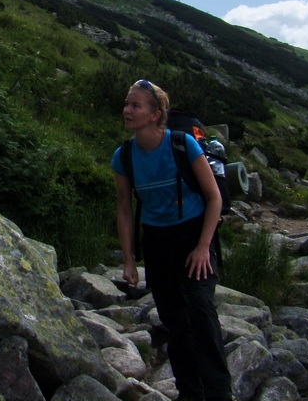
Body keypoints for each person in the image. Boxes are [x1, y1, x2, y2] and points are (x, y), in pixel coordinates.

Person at [111, 79, 232, 401]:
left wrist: (204, 247)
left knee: (201, 312)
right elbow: (124, 209)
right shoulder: (123, 157)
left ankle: (219, 393)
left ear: (155, 114)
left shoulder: (181, 144)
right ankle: (190, 393)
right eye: (126, 103)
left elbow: (214, 197)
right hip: (157, 242)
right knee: (175, 322)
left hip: (194, 235)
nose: (127, 110)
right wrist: (128, 260)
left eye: (135, 105)